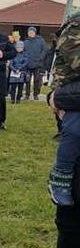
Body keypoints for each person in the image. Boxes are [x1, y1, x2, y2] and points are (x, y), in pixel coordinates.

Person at [46, 12, 80, 206]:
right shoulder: (75, 27)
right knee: (75, 130)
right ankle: (61, 176)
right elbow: (76, 61)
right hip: (70, 88)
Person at [23, 25, 48, 100]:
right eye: (29, 32)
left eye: (32, 32)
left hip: (38, 64)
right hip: (28, 64)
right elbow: (23, 52)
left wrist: (41, 58)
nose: (30, 33)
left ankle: (35, 94)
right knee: (27, 80)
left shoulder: (41, 40)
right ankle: (27, 95)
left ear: (35, 33)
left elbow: (44, 50)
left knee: (36, 80)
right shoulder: (25, 42)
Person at [8, 40, 28, 104]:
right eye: (18, 47)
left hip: (21, 72)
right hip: (14, 72)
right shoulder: (13, 54)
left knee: (20, 87)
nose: (19, 49)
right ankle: (12, 99)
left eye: (20, 47)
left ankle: (18, 99)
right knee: (13, 87)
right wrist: (14, 69)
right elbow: (10, 63)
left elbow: (25, 63)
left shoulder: (25, 54)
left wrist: (19, 69)